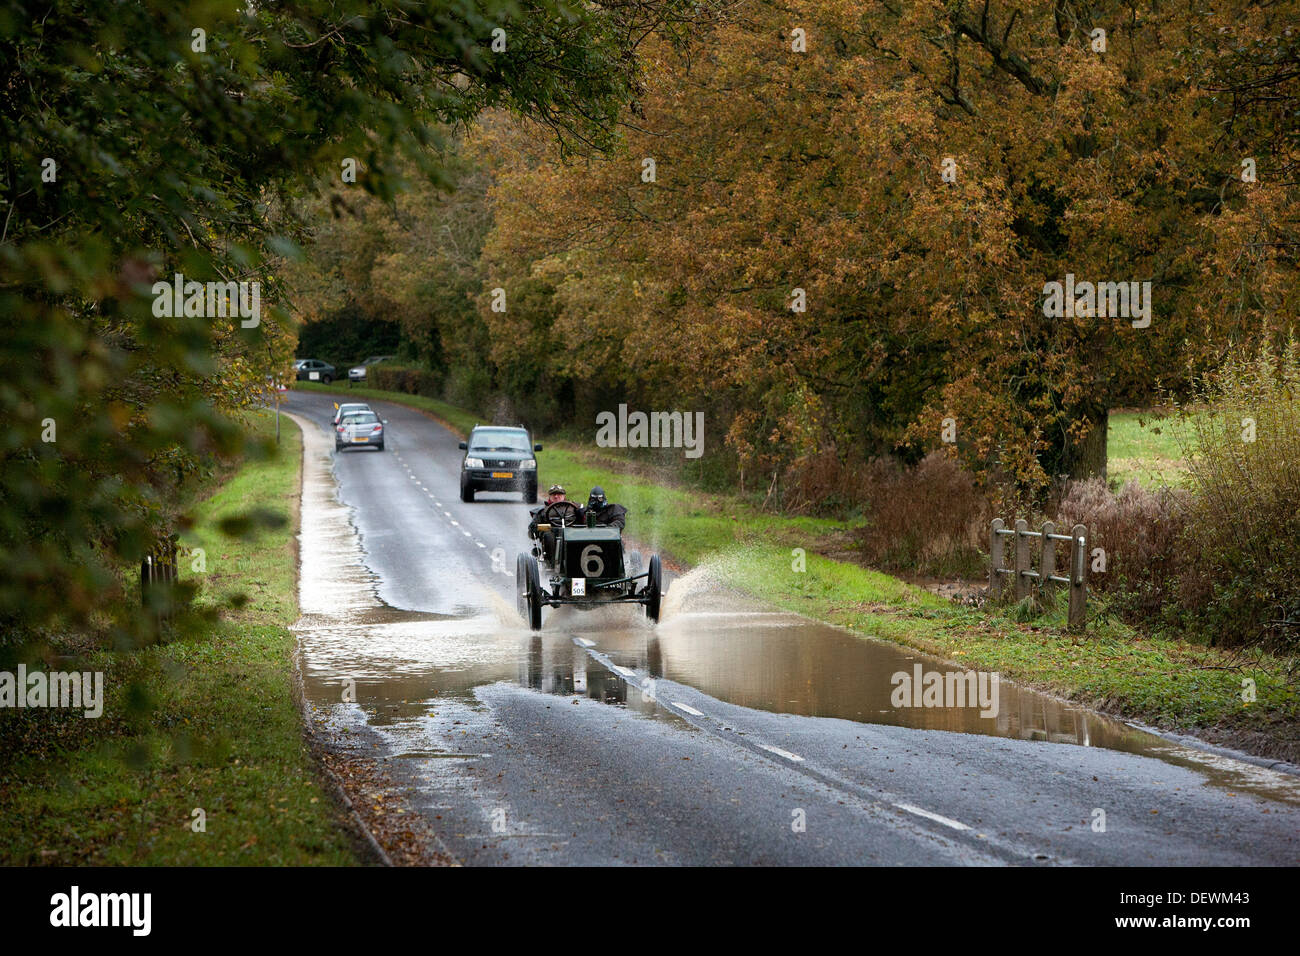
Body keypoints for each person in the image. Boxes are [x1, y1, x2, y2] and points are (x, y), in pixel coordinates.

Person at [528, 484, 580, 563]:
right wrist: (534, 527)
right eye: (553, 494)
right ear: (549, 496)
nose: (556, 496)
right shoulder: (542, 511)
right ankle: (552, 562)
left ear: (564, 496)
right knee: (548, 536)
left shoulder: (575, 507)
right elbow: (532, 532)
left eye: (559, 494)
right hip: (551, 533)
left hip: (572, 532)